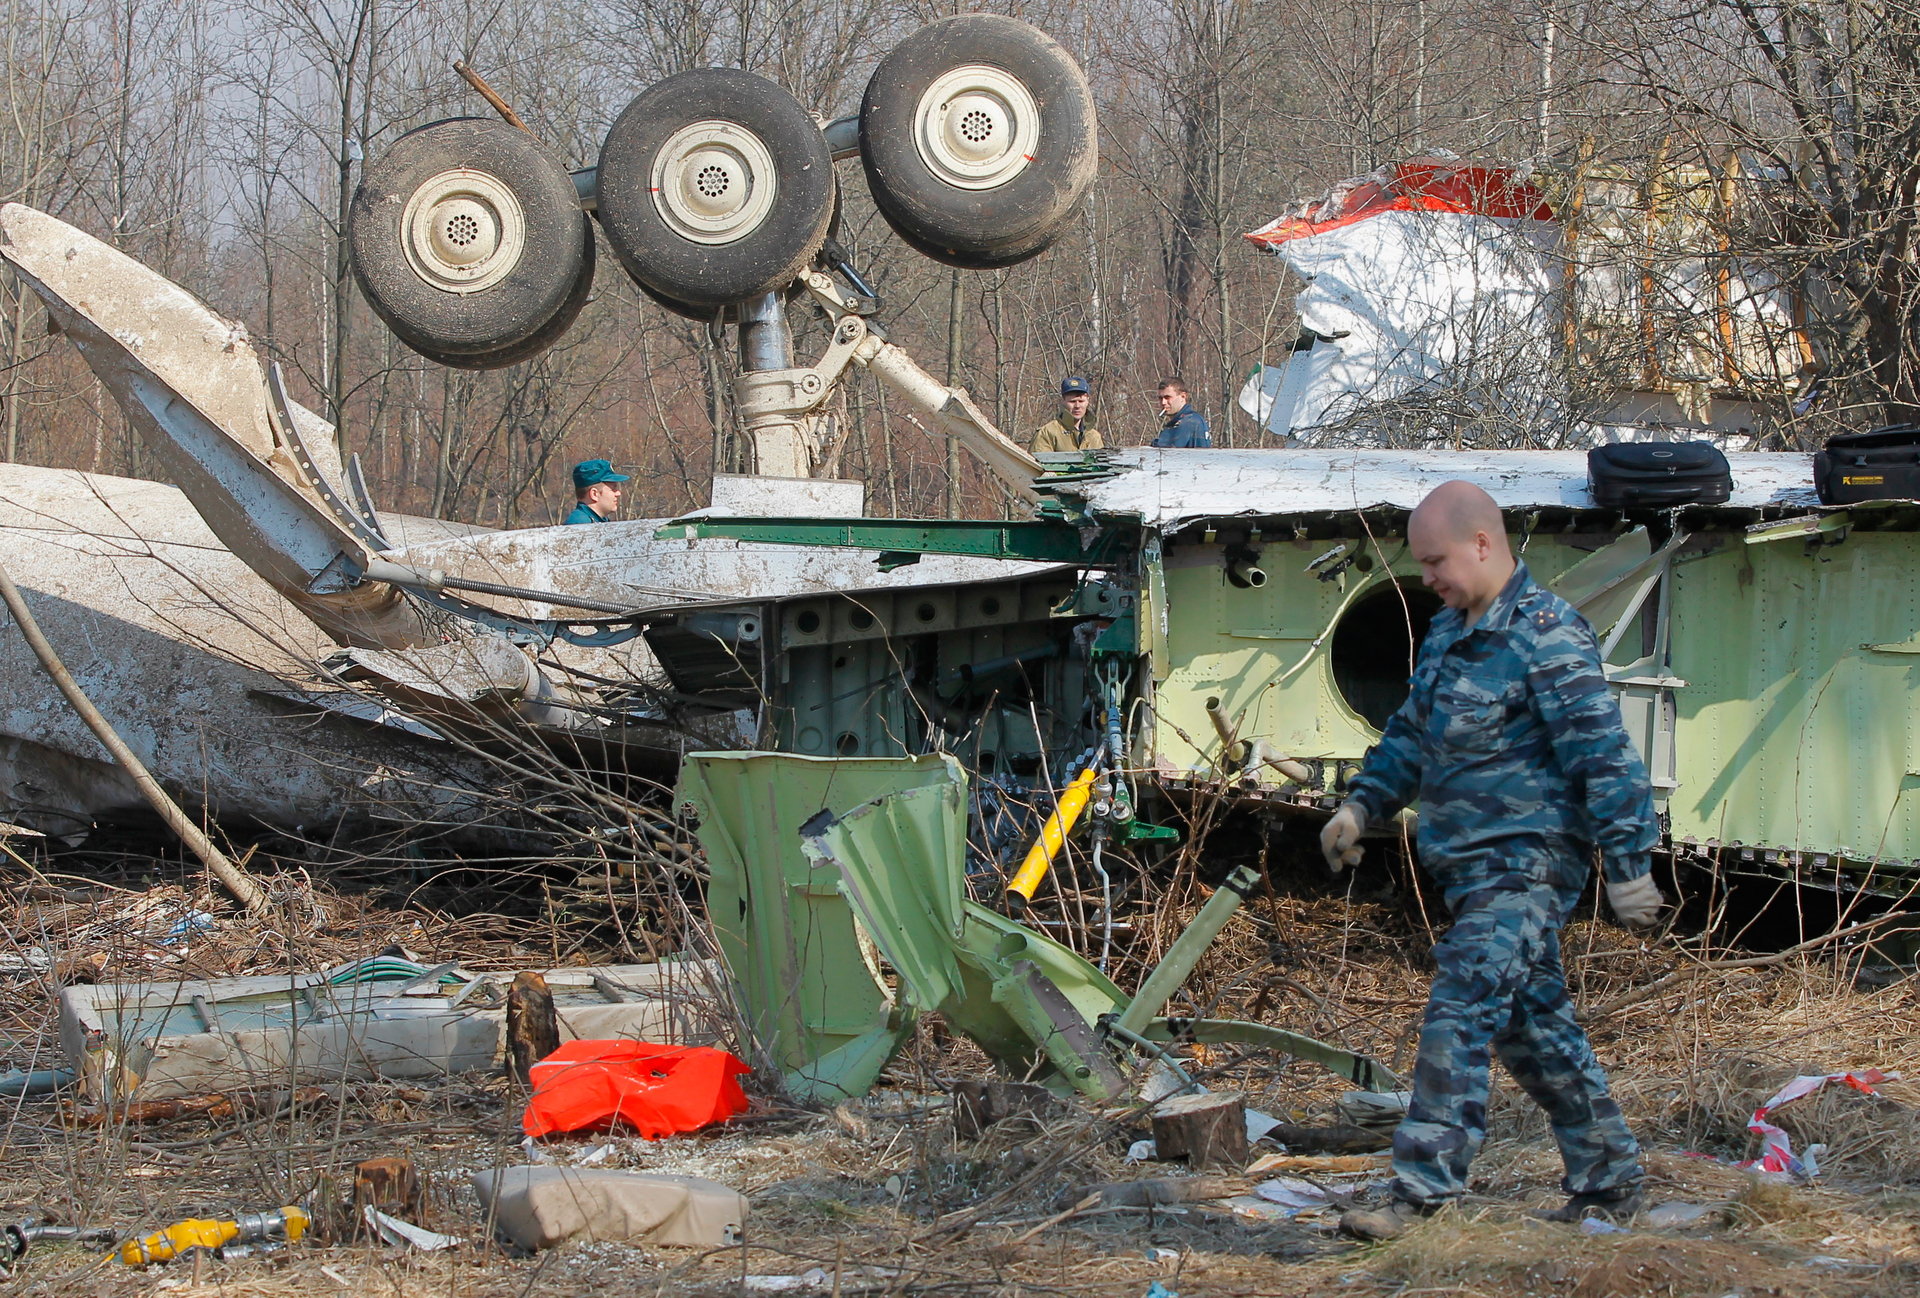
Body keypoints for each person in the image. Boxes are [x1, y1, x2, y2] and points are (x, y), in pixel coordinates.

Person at [1322, 479, 1664, 1241]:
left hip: (1530, 865)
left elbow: (1603, 756)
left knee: (1461, 1002)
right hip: (1468, 872)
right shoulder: (1448, 632)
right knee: (1533, 1031)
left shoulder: (1548, 634)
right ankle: (1612, 1180)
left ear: (1483, 543)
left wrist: (1630, 861)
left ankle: (1420, 1196)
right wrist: (1362, 805)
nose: (1429, 579)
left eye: (1437, 560)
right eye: (1421, 565)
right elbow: (1411, 733)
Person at [1030, 376, 1103, 452]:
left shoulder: (1094, 437)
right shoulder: (1048, 433)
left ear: (1088, 401)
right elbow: (1035, 463)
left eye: (1081, 401)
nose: (1077, 406)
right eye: (1072, 401)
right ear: (1063, 400)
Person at [564, 459, 629, 524]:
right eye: (613, 488)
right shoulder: (580, 524)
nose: (618, 493)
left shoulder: (594, 521)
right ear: (594, 494)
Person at [1151, 377, 1210, 447]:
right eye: (1160, 398)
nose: (1163, 402)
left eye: (1167, 397)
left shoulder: (1190, 421)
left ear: (1183, 397)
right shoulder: (1181, 422)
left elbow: (1170, 453)